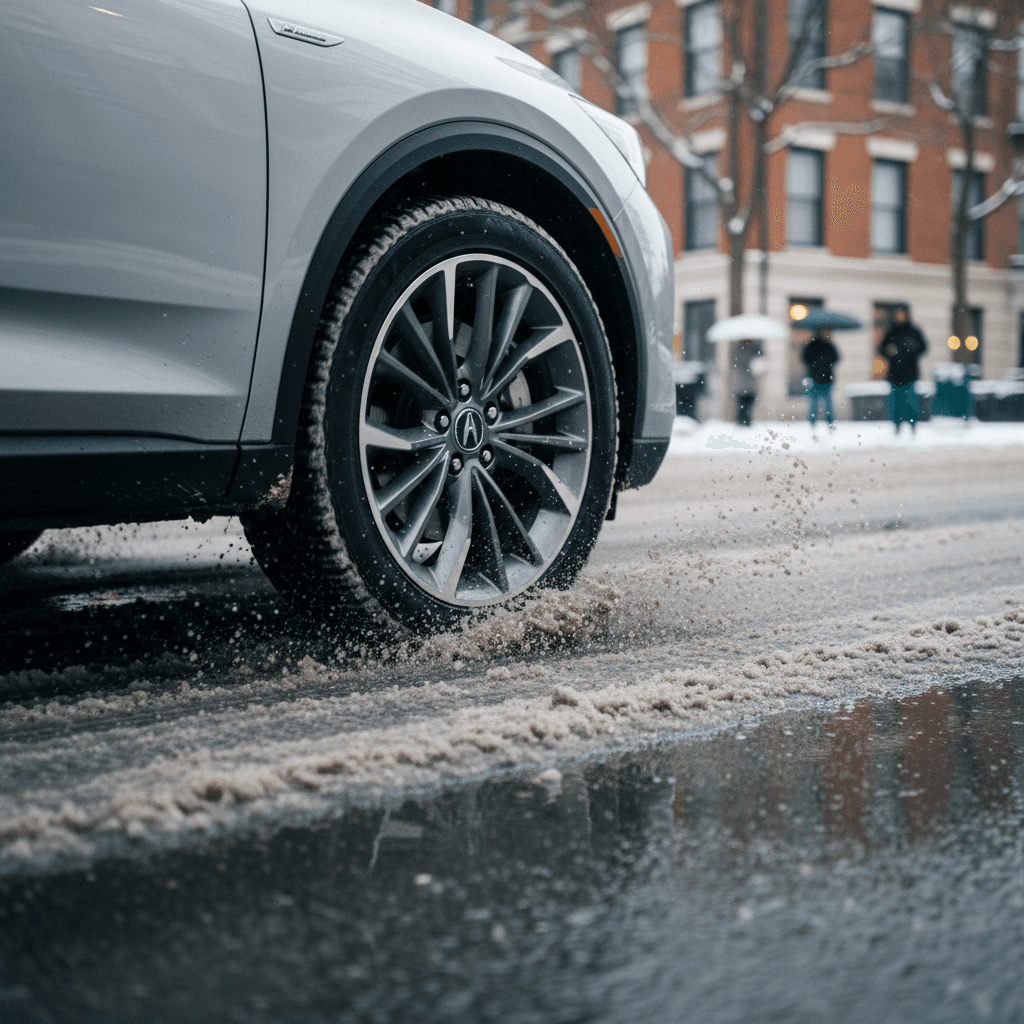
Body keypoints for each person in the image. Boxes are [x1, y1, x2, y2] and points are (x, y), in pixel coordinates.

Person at [877, 306, 928, 434]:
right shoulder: (891, 331)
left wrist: (910, 348)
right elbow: (881, 348)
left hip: (910, 374)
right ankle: (897, 426)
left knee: (911, 403)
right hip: (894, 374)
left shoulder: (914, 331)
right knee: (895, 404)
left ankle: (913, 426)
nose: (899, 316)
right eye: (898, 314)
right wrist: (888, 350)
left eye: (902, 314)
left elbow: (923, 347)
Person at [801, 328, 841, 430]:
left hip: (826, 379)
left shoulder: (828, 345)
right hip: (815, 378)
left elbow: (837, 358)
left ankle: (829, 422)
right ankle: (813, 423)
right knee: (815, 405)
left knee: (827, 405)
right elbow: (805, 358)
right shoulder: (813, 345)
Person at [732, 338, 762, 427]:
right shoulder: (738, 349)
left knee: (749, 406)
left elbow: (760, 364)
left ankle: (747, 422)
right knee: (741, 405)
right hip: (741, 383)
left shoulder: (756, 349)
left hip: (751, 384)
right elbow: (736, 362)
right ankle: (741, 422)